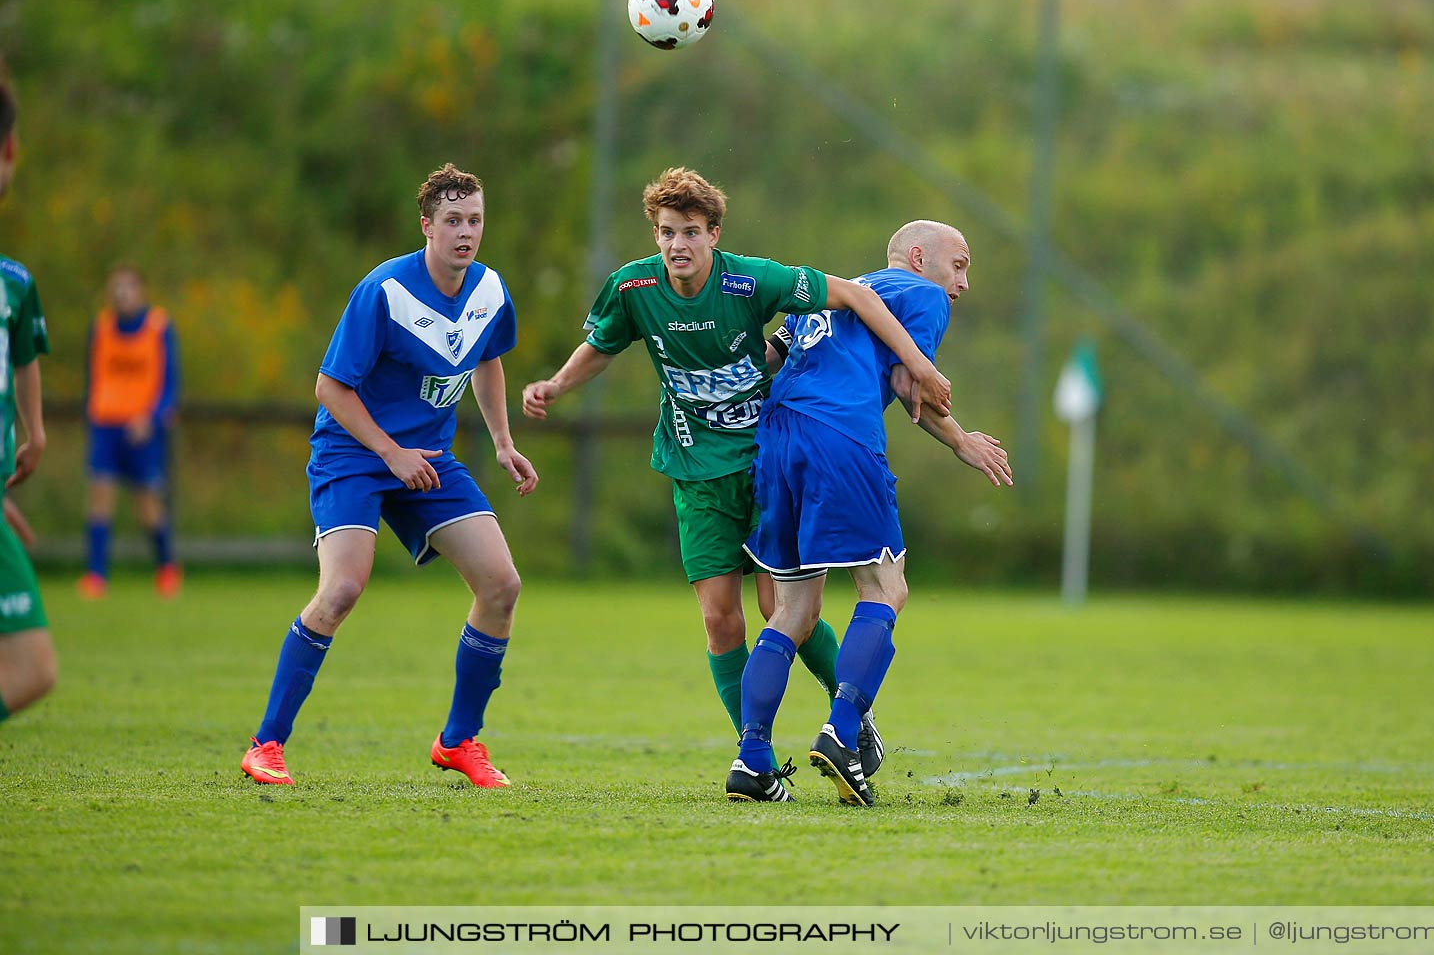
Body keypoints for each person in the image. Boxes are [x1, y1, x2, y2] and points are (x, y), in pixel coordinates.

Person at [522, 168, 951, 771]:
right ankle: (759, 756)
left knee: (788, 610)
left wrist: (914, 364)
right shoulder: (632, 289)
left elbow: (852, 296)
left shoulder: (751, 280)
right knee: (721, 620)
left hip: (764, 459)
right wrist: (558, 384)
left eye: (691, 232)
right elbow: (604, 344)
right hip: (696, 470)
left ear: (714, 234)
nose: (677, 246)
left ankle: (849, 719)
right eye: (666, 233)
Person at [240, 164, 538, 787]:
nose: (466, 232)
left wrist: (504, 442)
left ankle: (459, 741)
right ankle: (266, 743)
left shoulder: (489, 290)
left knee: (501, 585)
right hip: (352, 452)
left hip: (427, 460)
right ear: (426, 226)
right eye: (452, 221)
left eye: (475, 220)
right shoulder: (384, 290)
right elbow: (330, 386)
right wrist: (388, 452)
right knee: (343, 589)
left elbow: (486, 360)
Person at [727, 220, 1010, 804]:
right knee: (885, 587)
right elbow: (913, 383)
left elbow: (771, 356)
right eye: (958, 264)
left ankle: (752, 760)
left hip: (778, 439)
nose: (962, 283)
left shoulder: (836, 289)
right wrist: (961, 440)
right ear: (917, 256)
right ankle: (844, 731)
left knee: (794, 610)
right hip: (840, 437)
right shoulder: (923, 296)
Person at [0, 71, 57, 726]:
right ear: (12, 149)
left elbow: (24, 357)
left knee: (30, 666)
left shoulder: (14, 282)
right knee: (30, 667)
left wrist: (32, 428)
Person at [81, 264, 182, 598]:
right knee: (99, 496)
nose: (122, 293)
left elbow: (170, 383)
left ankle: (166, 567)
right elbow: (92, 376)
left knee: (148, 503)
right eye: (117, 287)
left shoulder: (158, 326)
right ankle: (96, 574)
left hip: (143, 428)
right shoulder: (103, 326)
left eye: (129, 287)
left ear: (142, 291)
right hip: (105, 423)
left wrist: (150, 418)